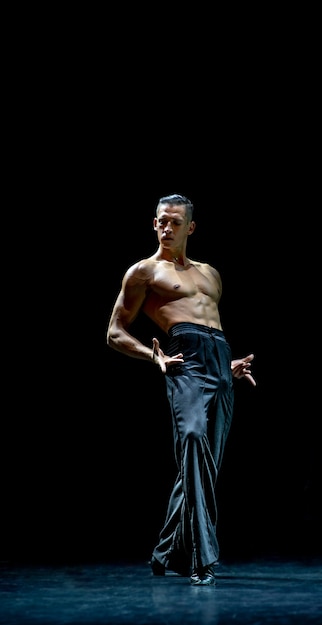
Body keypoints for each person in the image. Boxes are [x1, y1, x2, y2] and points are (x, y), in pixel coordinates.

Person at [106, 193, 256, 586]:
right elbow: (114, 332)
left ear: (191, 227)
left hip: (219, 364)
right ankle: (201, 558)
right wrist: (151, 357)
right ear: (154, 224)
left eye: (175, 222)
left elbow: (212, 328)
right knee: (191, 441)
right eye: (161, 221)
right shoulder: (144, 272)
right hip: (182, 361)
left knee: (203, 466)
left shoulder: (211, 274)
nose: (166, 227)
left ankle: (164, 552)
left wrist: (227, 364)